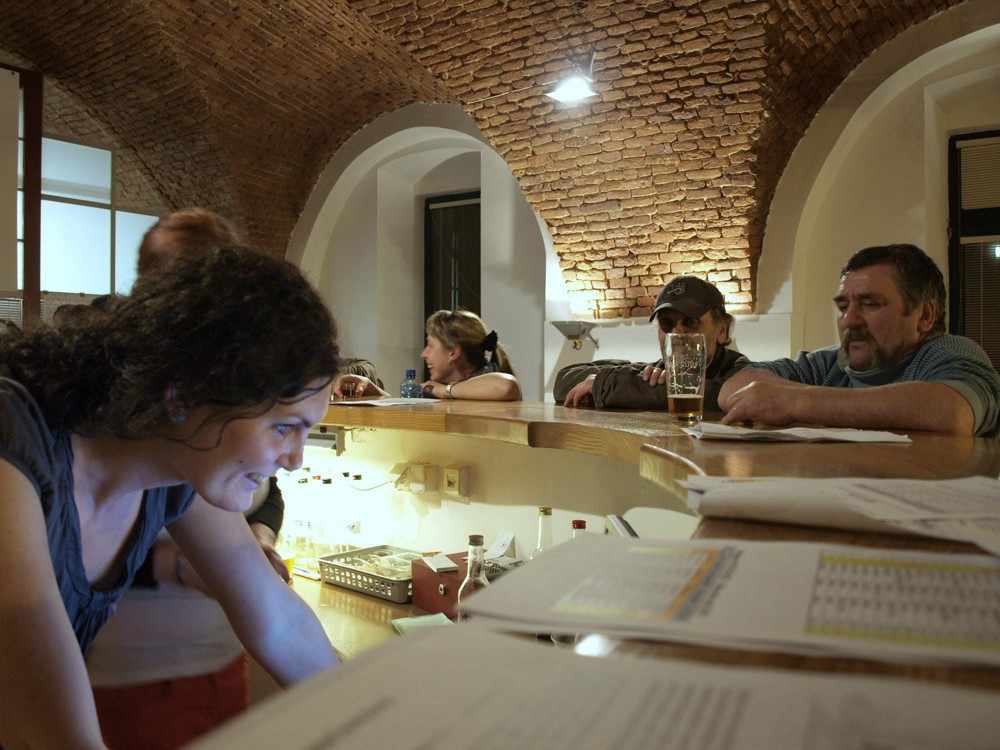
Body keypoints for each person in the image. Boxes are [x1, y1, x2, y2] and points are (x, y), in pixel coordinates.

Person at [0, 246, 341, 748]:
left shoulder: (176, 465)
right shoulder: (15, 446)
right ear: (183, 395)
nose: (295, 459)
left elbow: (279, 622)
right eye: (283, 427)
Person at [84, 208, 294, 750]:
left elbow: (278, 622)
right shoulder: (126, 431)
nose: (292, 457)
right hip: (135, 671)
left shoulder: (201, 439)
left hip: (219, 657)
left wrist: (257, 539)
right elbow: (76, 555)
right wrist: (175, 567)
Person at [719, 243, 1000, 437]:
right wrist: (784, 398)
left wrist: (794, 402)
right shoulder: (829, 363)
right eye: (843, 307)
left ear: (924, 316)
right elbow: (734, 387)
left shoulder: (948, 353)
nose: (849, 321)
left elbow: (954, 413)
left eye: (870, 304)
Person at [555, 275, 749, 412]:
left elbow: (721, 394)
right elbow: (564, 380)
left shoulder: (742, 373)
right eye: (667, 324)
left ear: (722, 330)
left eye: (691, 322)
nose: (676, 333)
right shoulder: (656, 371)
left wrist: (609, 385)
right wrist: (623, 380)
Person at [336, 309, 521, 401]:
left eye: (430, 346)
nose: (424, 354)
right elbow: (404, 411)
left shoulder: (484, 380)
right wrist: (369, 387)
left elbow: (506, 386)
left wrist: (443, 391)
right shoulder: (444, 390)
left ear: (453, 352)